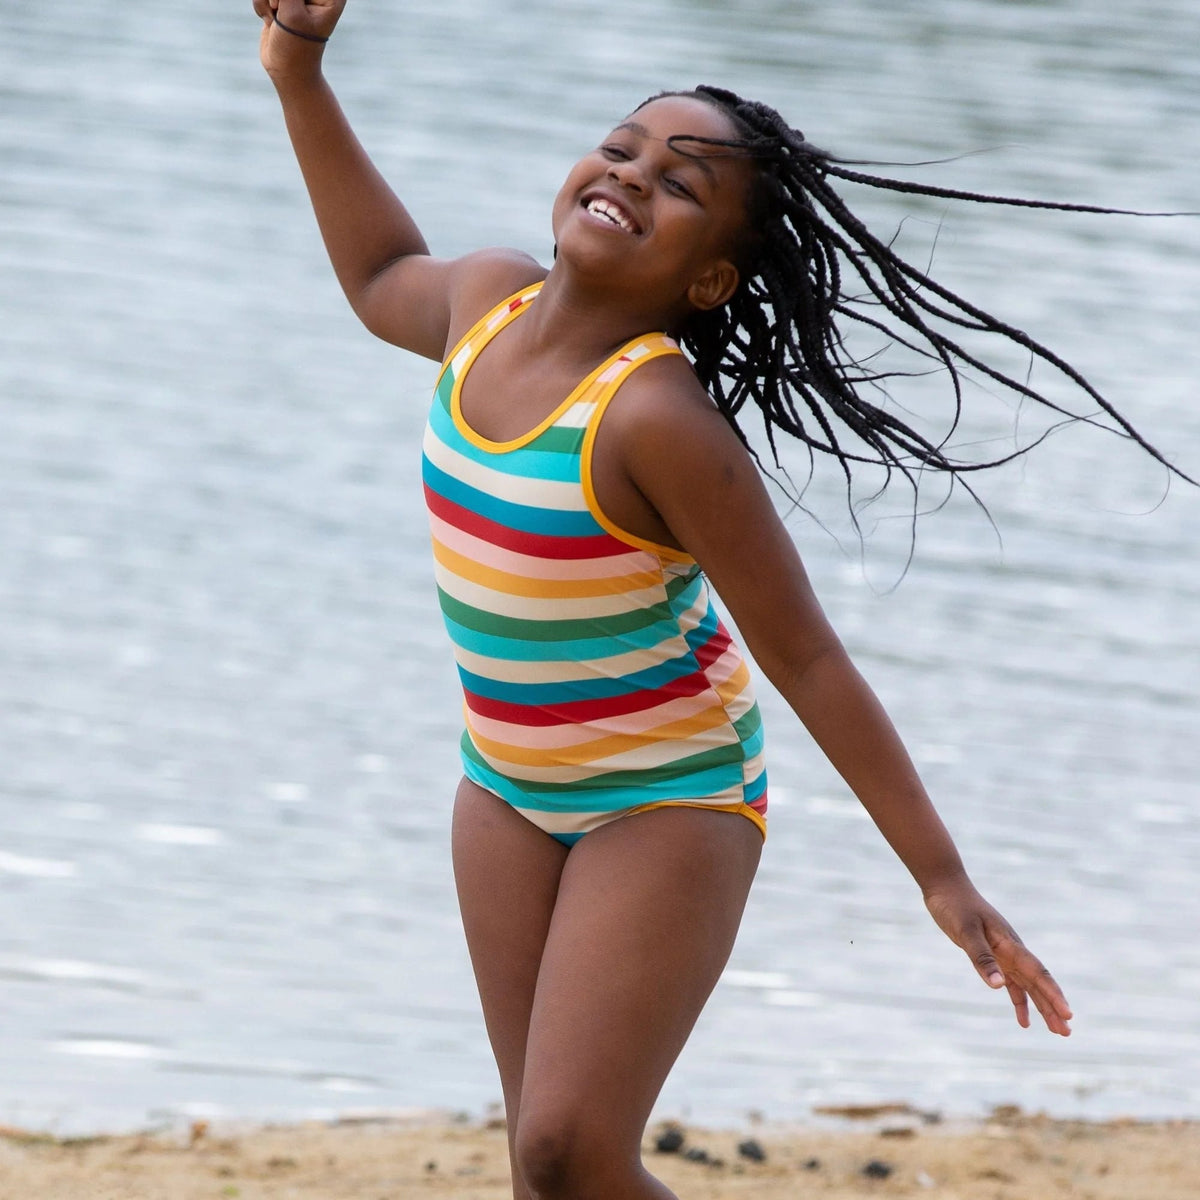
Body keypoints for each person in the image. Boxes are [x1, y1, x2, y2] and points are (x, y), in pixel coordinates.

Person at [253, 3, 1183, 1197]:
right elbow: (380, 271)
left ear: (710, 278)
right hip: (502, 784)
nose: (631, 175)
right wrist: (299, 70)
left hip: (669, 793)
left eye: (679, 183)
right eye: (624, 146)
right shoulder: (481, 302)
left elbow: (808, 660)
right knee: (545, 1167)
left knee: (568, 1147)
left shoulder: (657, 422)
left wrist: (941, 877)